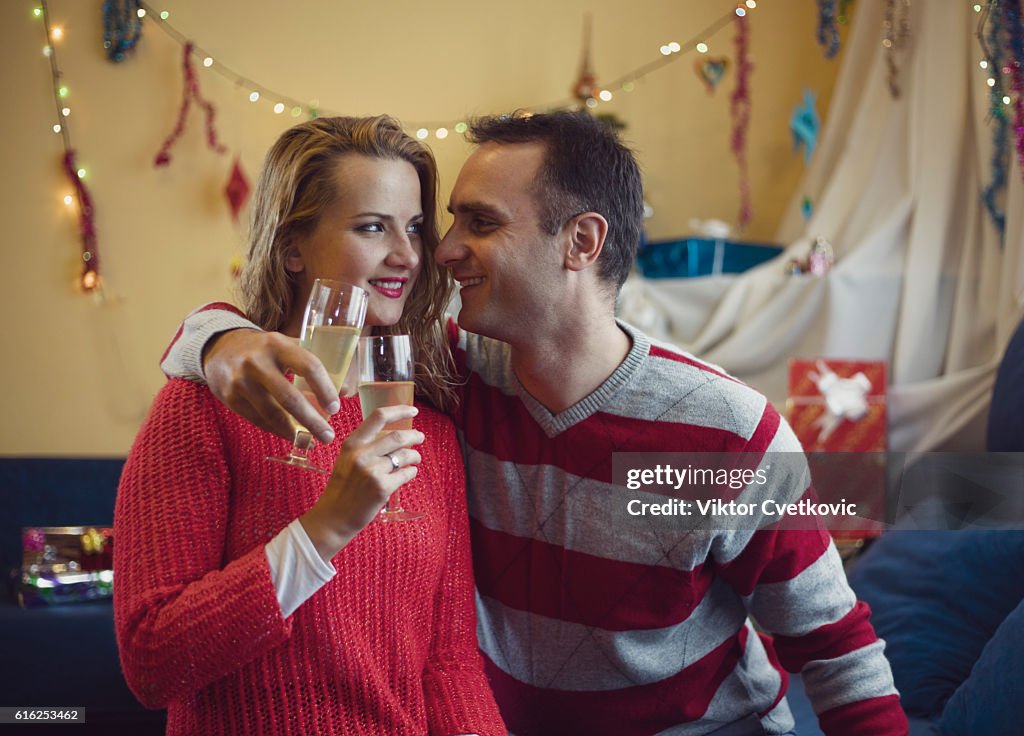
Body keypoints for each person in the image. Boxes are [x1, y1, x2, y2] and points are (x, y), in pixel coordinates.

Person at [160, 111, 908, 736]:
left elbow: (838, 651)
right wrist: (219, 340)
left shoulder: (722, 434)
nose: (438, 252)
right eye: (443, 222)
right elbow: (285, 336)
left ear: (581, 242)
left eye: (477, 223)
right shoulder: (451, 382)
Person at [114, 115, 505, 736]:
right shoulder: (201, 407)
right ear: (292, 248)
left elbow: (449, 666)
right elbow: (152, 662)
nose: (405, 254)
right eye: (372, 226)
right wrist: (326, 528)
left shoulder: (423, 423)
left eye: (413, 228)